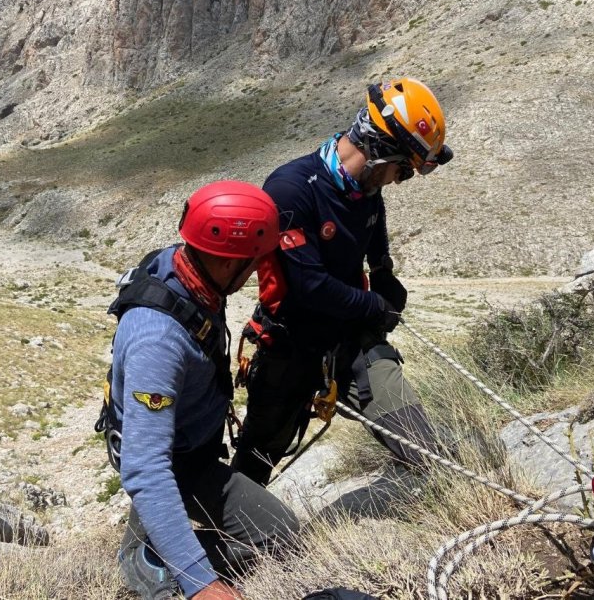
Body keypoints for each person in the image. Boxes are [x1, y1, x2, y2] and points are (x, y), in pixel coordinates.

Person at [231, 77, 454, 486]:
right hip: (291, 347)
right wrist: (375, 306)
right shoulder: (291, 190)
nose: (397, 182)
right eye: (401, 172)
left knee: (420, 442)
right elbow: (308, 285)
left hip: (349, 341)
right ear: (378, 152)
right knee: (254, 464)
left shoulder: (364, 189)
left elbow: (374, 223)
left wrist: (383, 270)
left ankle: (448, 483)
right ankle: (222, 540)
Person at [97, 180, 299, 600]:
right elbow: (147, 467)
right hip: (172, 463)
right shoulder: (158, 340)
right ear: (229, 263)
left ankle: (163, 543)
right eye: (254, 262)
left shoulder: (191, 270)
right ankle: (146, 559)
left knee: (280, 533)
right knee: (181, 582)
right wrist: (201, 583)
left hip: (193, 453)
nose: (257, 271)